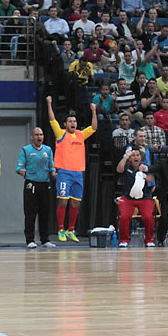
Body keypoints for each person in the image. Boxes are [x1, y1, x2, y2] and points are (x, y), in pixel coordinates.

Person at [46, 93, 96, 242]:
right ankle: (60, 229)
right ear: (65, 124)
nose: (73, 123)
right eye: (70, 121)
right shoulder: (61, 134)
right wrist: (49, 104)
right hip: (64, 173)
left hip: (78, 174)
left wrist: (94, 111)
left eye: (74, 121)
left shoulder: (81, 135)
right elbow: (52, 120)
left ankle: (71, 230)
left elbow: (93, 127)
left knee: (76, 203)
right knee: (63, 201)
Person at [15, 126, 55, 247]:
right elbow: (19, 167)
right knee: (30, 213)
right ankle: (30, 240)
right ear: (32, 137)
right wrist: (21, 170)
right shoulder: (26, 150)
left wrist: (53, 172)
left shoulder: (48, 150)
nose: (39, 137)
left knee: (45, 212)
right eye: (37, 135)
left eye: (41, 135)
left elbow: (52, 165)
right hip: (31, 184)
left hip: (45, 184)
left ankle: (45, 239)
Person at [116, 147, 156, 247]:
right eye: (133, 155)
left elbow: (151, 180)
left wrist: (145, 176)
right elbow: (119, 169)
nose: (135, 157)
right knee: (124, 217)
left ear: (140, 157)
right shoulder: (126, 167)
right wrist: (125, 157)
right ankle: (124, 240)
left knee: (148, 217)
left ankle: (149, 240)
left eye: (137, 155)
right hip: (128, 198)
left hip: (145, 198)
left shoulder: (145, 167)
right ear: (130, 158)